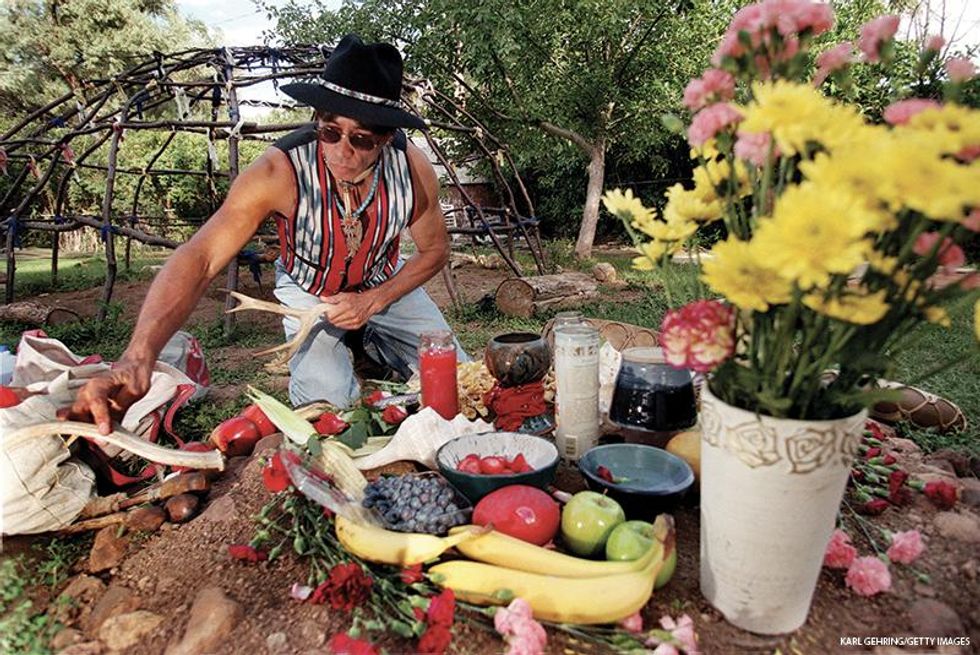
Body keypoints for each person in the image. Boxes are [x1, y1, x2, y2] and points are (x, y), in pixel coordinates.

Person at [64, 34, 467, 434]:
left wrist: (374, 300)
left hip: (384, 280)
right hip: (309, 290)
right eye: (330, 131)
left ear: (384, 137)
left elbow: (434, 250)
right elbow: (201, 257)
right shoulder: (279, 173)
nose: (342, 150)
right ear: (317, 120)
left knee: (462, 380)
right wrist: (139, 354)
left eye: (360, 139)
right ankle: (359, 348)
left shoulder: (412, 170)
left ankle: (371, 343)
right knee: (326, 412)